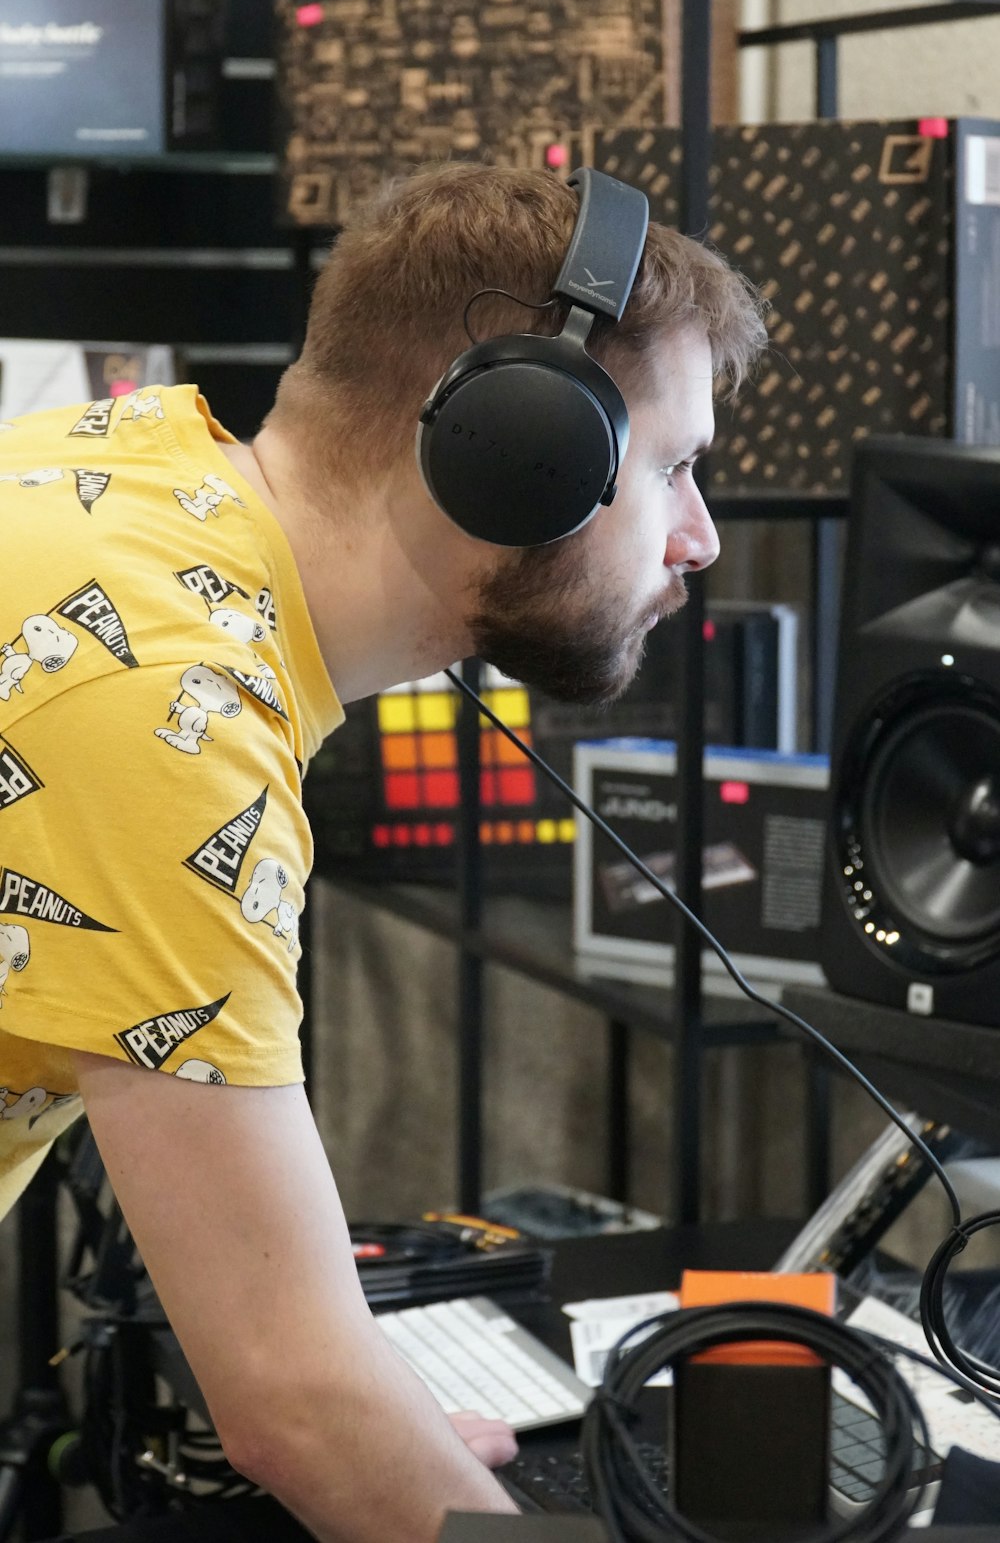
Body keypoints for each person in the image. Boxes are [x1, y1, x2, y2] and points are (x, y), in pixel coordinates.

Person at [0, 161, 767, 1541]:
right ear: (518, 446)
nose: (700, 538)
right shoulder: (168, 717)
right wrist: (360, 1428)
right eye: (672, 467)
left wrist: (376, 1420)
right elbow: (292, 1404)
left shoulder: (126, 470)